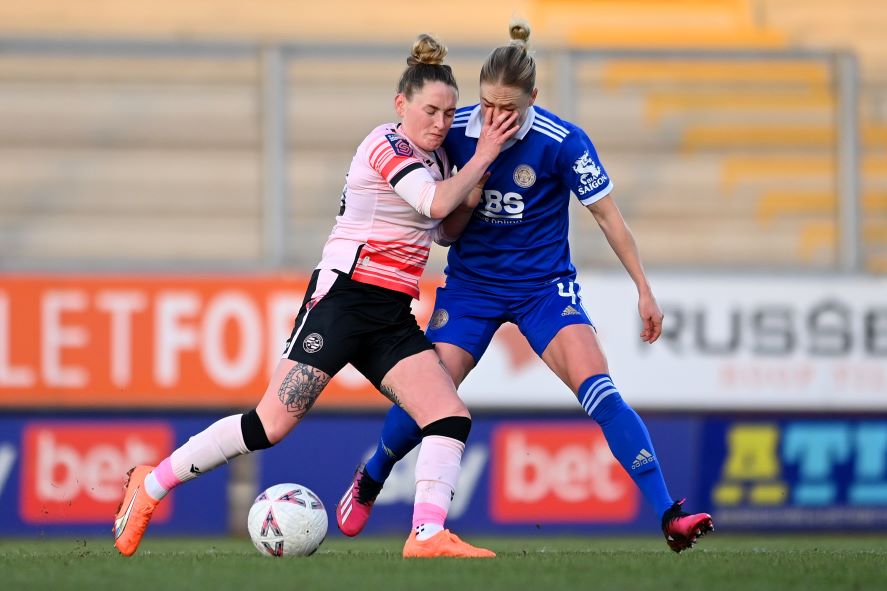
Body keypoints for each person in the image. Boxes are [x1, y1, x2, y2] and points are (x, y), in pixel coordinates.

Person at [112, 34, 519, 559]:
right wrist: (483, 153)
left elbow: (443, 230)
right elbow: (435, 203)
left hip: (391, 312)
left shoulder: (439, 162)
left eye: (448, 113)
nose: (441, 123)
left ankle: (426, 535)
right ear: (402, 105)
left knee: (448, 417)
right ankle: (151, 485)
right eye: (430, 110)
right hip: (344, 300)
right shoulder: (386, 144)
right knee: (268, 425)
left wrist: (475, 186)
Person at [335, 21, 714, 554]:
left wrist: (643, 290)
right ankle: (373, 473)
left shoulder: (563, 142)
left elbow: (609, 218)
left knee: (598, 384)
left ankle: (668, 514)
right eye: (488, 105)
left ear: (533, 98)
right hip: (471, 287)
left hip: (542, 288)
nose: (495, 117)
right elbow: (438, 220)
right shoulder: (459, 131)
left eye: (508, 108)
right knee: (433, 392)